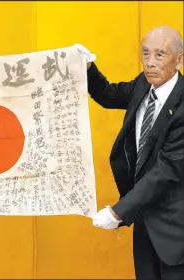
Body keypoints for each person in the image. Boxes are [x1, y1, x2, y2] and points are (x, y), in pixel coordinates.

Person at [83, 26, 184, 279]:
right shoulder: (143, 84)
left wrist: (118, 211)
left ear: (178, 59)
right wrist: (87, 69)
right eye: (145, 53)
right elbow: (107, 95)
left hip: (176, 227)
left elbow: (166, 170)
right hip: (144, 221)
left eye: (160, 55)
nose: (150, 63)